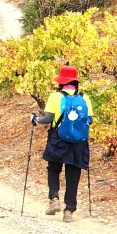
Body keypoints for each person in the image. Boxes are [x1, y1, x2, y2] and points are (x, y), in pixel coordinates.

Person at [31, 66, 93, 223]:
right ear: (75, 82)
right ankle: (69, 210)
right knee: (73, 176)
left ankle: (54, 199)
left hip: (59, 139)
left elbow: (48, 119)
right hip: (78, 142)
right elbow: (90, 120)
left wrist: (35, 119)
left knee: (53, 169)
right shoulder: (85, 98)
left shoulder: (55, 97)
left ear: (62, 82)